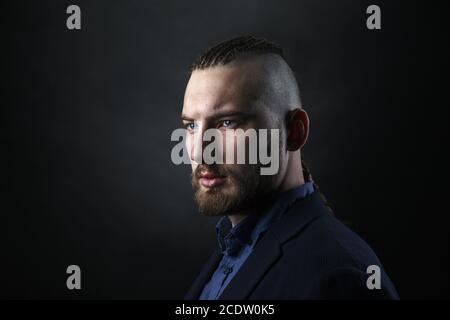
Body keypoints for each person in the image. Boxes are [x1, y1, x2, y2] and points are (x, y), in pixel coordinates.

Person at [181, 35, 398, 300]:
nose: (199, 151)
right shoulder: (233, 246)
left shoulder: (340, 274)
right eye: (191, 125)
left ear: (294, 132)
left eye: (228, 123)